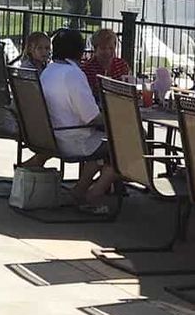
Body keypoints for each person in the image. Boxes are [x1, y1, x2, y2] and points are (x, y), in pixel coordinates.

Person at [32, 28, 117, 208]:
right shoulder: (74, 74)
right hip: (73, 139)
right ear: (79, 51)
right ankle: (94, 194)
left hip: (52, 136)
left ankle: (78, 191)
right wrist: (117, 117)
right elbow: (91, 117)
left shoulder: (49, 70)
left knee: (106, 146)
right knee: (124, 147)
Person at [80, 28, 132, 95]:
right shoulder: (87, 69)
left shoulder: (122, 65)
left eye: (111, 48)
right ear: (95, 49)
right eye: (103, 48)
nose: (107, 52)